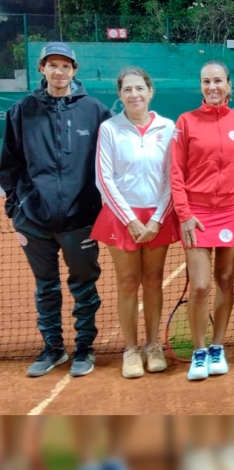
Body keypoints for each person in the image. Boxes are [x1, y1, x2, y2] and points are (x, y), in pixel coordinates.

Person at [0, 42, 111, 378]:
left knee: (84, 287)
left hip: (81, 219)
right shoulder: (22, 110)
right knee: (45, 287)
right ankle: (53, 348)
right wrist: (17, 206)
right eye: (53, 65)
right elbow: (9, 164)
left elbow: (110, 162)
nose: (59, 71)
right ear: (42, 69)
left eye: (65, 66)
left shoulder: (95, 111)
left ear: (74, 70)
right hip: (34, 220)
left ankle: (85, 348)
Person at [91, 67, 178, 379]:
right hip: (121, 217)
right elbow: (104, 178)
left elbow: (172, 176)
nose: (134, 94)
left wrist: (156, 219)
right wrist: (130, 220)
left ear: (150, 91)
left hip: (158, 218)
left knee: (153, 280)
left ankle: (153, 346)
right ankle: (130, 349)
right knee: (128, 282)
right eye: (127, 89)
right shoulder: (110, 129)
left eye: (139, 88)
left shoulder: (168, 127)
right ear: (120, 94)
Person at [171, 60, 234, 381]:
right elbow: (176, 172)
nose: (212, 87)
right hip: (196, 214)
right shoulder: (186, 121)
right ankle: (199, 351)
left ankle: (218, 346)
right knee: (201, 285)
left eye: (218, 81)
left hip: (231, 211)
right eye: (206, 81)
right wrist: (185, 215)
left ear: (229, 85)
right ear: (200, 86)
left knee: (225, 280)